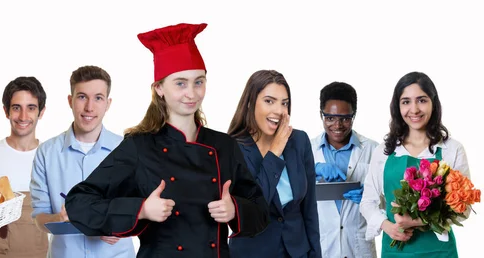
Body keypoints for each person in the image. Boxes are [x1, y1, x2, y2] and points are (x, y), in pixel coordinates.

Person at [64, 23, 269, 258]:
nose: (192, 93)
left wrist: (235, 210)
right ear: (159, 88)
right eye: (180, 83)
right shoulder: (140, 146)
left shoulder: (224, 146)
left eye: (198, 81)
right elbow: (79, 202)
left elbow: (261, 211)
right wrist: (140, 210)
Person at [360, 71, 470, 258]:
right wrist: (387, 226)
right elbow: (367, 202)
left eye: (421, 100)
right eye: (406, 102)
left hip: (439, 252)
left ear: (433, 103)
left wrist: (415, 221)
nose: (414, 109)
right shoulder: (384, 152)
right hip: (396, 251)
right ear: (397, 106)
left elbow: (463, 208)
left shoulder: (452, 149)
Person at [30, 66, 135, 258]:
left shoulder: (127, 150)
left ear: (108, 103)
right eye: (82, 97)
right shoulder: (46, 153)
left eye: (98, 98)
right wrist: (58, 218)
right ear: (70, 101)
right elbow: (39, 217)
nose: (89, 107)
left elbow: (143, 209)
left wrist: (119, 226)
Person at [227, 69, 321, 258]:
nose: (278, 111)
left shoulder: (299, 141)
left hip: (297, 251)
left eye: (284, 103)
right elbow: (254, 205)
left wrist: (315, 254)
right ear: (250, 102)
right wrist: (275, 151)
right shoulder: (232, 148)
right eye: (269, 101)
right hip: (253, 253)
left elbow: (310, 209)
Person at [311, 82, 377, 258]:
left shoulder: (374, 150)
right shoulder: (307, 150)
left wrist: (371, 198)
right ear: (321, 115)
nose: (337, 125)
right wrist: (312, 171)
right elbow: (291, 196)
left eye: (345, 118)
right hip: (322, 248)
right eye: (330, 118)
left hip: (359, 248)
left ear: (353, 116)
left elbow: (389, 201)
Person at [0, 76, 49, 258]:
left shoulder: (50, 157)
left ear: (41, 112)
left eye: (31, 108)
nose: (23, 117)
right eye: (16, 108)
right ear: (6, 111)